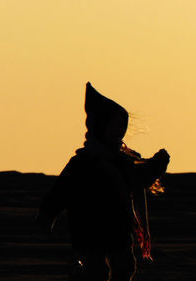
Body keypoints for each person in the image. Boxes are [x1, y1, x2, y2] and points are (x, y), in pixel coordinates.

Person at [36, 82, 170, 281]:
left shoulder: (123, 162)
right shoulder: (82, 163)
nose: (118, 130)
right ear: (99, 126)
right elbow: (59, 193)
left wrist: (158, 165)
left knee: (125, 269)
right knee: (94, 274)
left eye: (121, 126)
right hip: (88, 233)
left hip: (118, 233)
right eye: (113, 125)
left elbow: (139, 179)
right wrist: (46, 217)